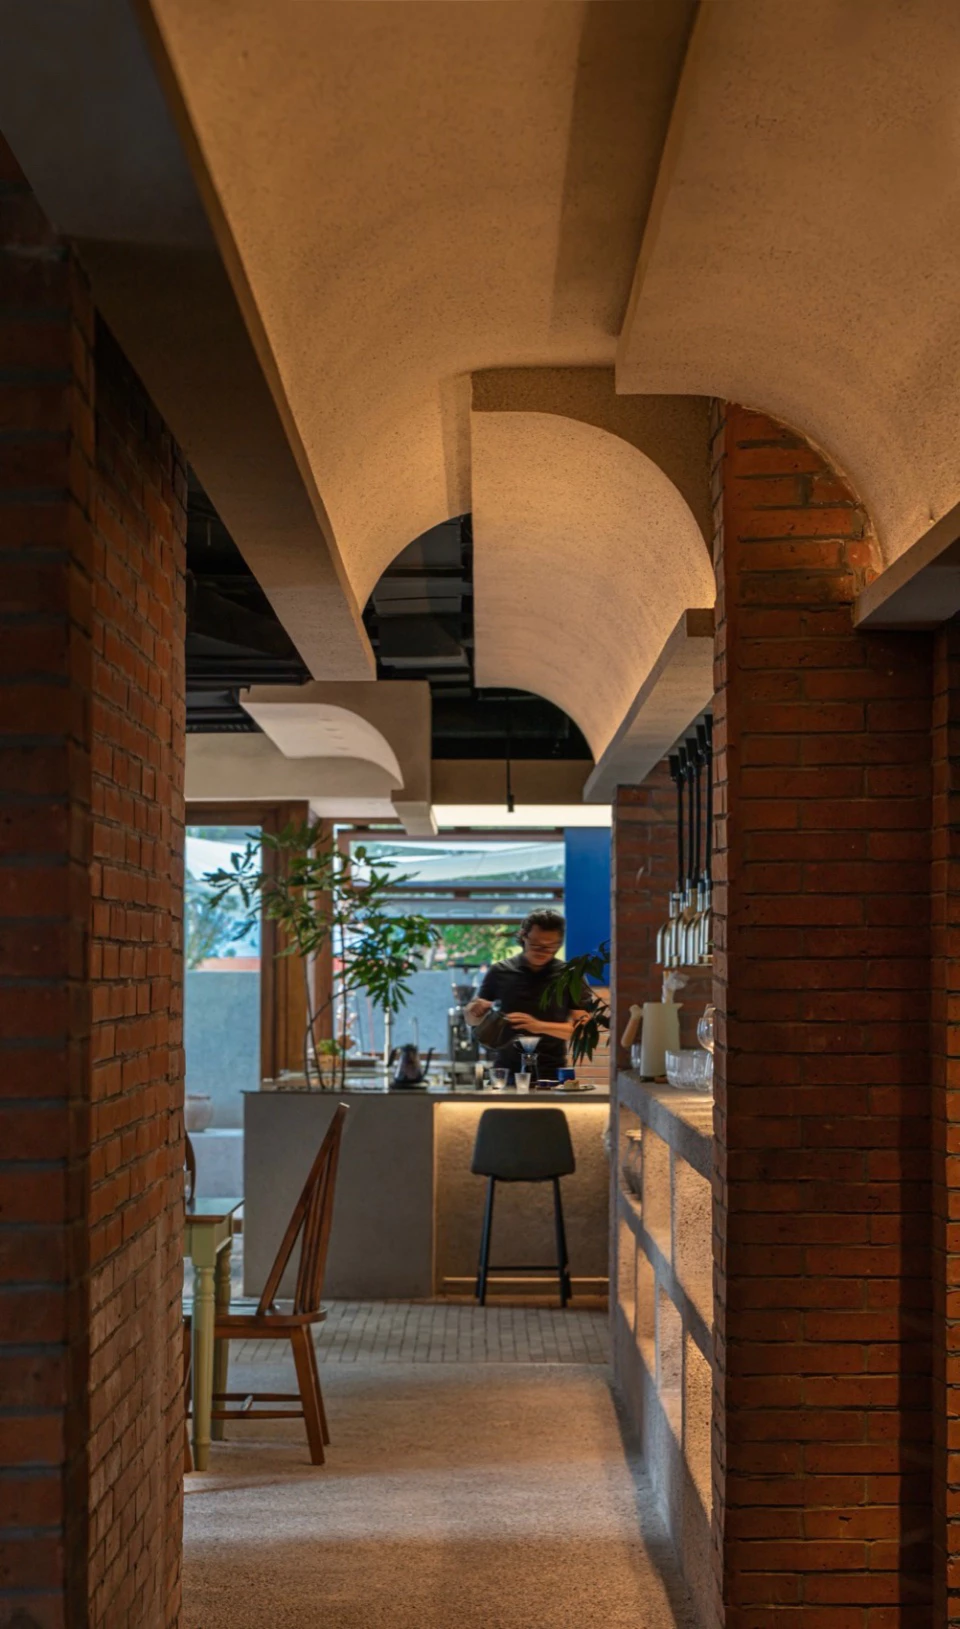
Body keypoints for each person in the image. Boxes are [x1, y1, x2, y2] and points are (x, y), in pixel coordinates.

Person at [462, 908, 592, 1080]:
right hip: (505, 1072)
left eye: (550, 947)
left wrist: (538, 1026)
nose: (542, 952)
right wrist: (471, 1012)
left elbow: (583, 1032)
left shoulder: (571, 976)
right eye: (536, 945)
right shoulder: (500, 972)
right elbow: (475, 1021)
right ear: (523, 936)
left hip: (551, 1073)